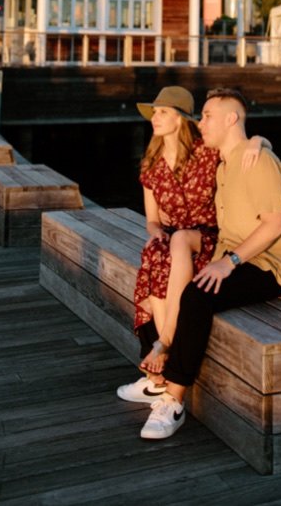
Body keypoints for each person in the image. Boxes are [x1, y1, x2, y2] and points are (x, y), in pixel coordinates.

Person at [137, 87, 281, 441]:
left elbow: (273, 225)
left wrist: (231, 261)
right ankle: (157, 374)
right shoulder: (225, 165)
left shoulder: (258, 161)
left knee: (197, 296)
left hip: (267, 265)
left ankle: (174, 399)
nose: (202, 122)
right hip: (231, 257)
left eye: (208, 115)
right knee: (169, 283)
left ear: (231, 119)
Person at [116, 85, 264, 406]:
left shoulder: (206, 152)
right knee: (157, 252)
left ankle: (161, 353)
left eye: (163, 112)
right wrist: (156, 232)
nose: (155, 118)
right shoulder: (151, 165)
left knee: (169, 253)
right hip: (173, 240)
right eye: (154, 112)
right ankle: (158, 368)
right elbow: (152, 220)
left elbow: (241, 143)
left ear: (181, 119)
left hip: (207, 238)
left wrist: (259, 141)